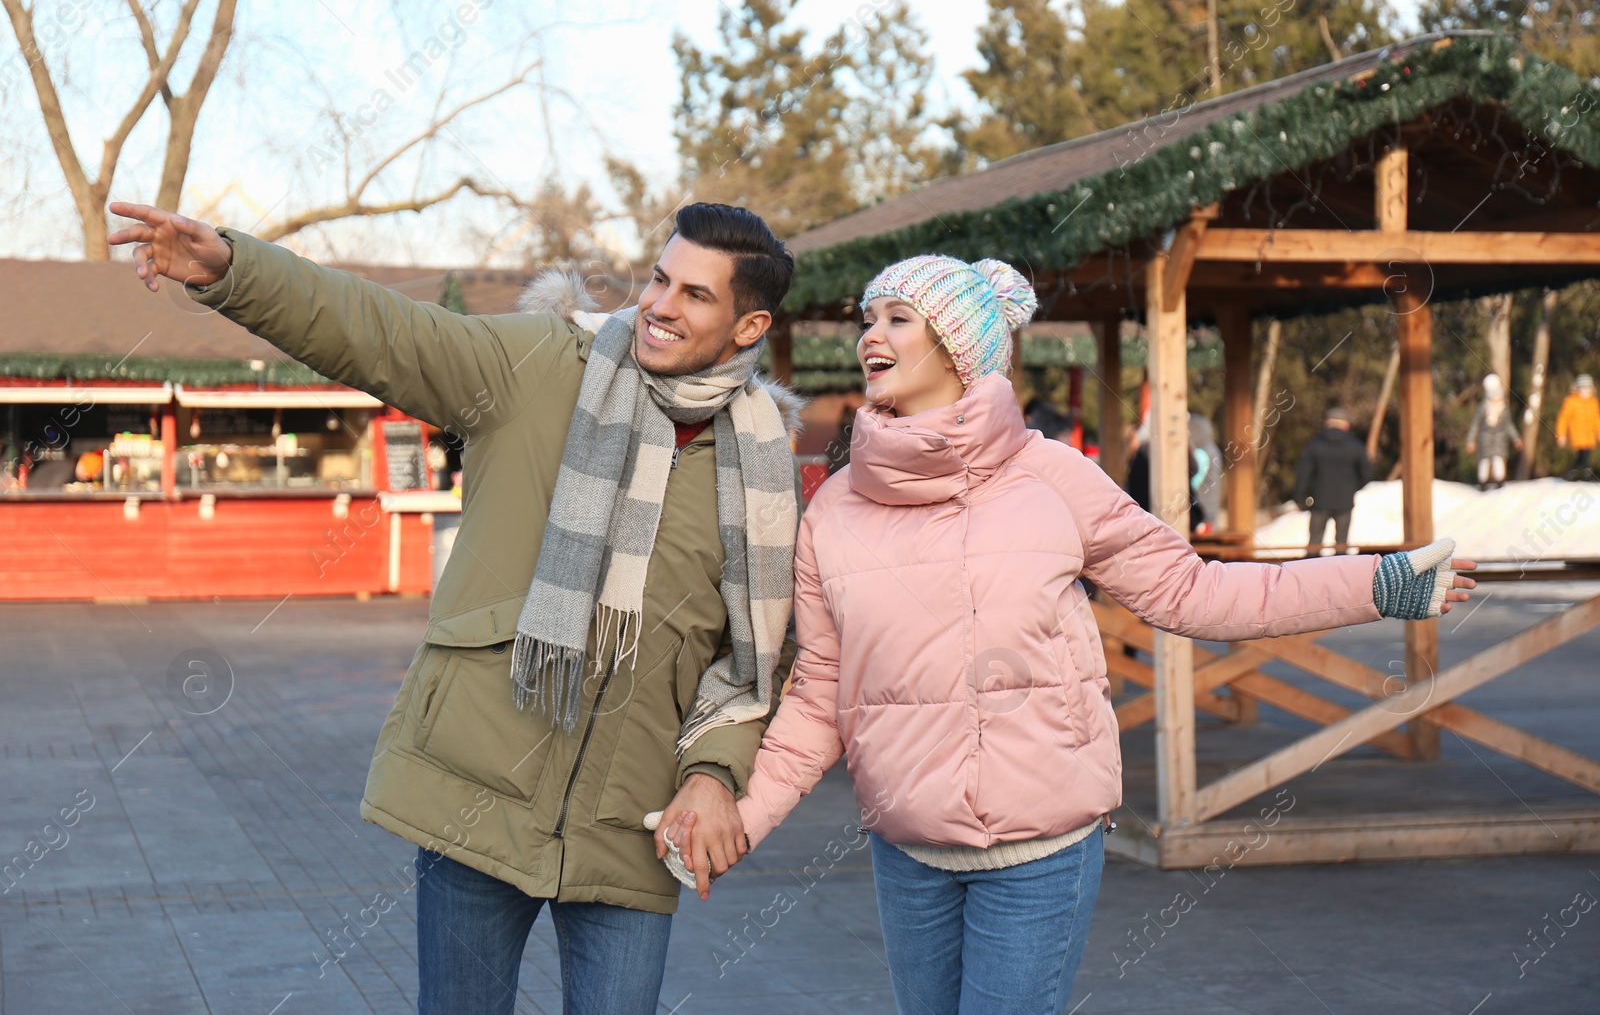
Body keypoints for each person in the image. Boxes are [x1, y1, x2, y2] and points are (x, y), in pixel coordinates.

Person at [662, 254, 1476, 1015]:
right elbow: (818, 700)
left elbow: (1195, 591)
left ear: (957, 344)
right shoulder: (836, 509)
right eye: (868, 317)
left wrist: (1375, 582)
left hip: (1040, 850)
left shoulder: (1053, 476)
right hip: (908, 855)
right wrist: (739, 822)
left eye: (899, 317)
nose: (871, 334)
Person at [109, 200, 801, 1015]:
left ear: (749, 325)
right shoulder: (547, 362)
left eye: (694, 295)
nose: (657, 305)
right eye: (659, 278)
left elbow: (749, 657)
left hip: (631, 821)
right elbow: (386, 333)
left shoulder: (758, 468)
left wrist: (716, 772)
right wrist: (235, 268)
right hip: (477, 784)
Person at [1294, 406, 1374, 554]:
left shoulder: (1315, 446)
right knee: (1342, 544)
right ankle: (1340, 574)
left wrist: (1300, 497)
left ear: (1327, 424)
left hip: (1319, 501)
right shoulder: (1356, 447)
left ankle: (1308, 573)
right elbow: (1367, 474)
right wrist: (1352, 488)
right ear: (1346, 425)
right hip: (1345, 501)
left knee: (1314, 544)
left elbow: (1303, 474)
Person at [1465, 373, 1522, 490]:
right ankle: (1482, 483)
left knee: (1499, 461)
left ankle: (1500, 483)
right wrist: (1470, 440)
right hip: (1485, 440)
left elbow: (1509, 425)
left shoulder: (1504, 409)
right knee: (1484, 462)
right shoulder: (1483, 408)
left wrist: (1516, 438)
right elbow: (1475, 425)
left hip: (1500, 440)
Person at [1556, 373, 1600, 481]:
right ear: (1577, 389)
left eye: (1587, 389)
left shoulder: (1593, 402)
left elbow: (1597, 419)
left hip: (1589, 435)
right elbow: (1563, 419)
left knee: (1582, 455)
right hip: (1577, 434)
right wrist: (1561, 435)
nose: (1585, 392)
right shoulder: (1571, 401)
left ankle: (1571, 472)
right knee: (1584, 455)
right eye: (1582, 389)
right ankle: (1587, 474)